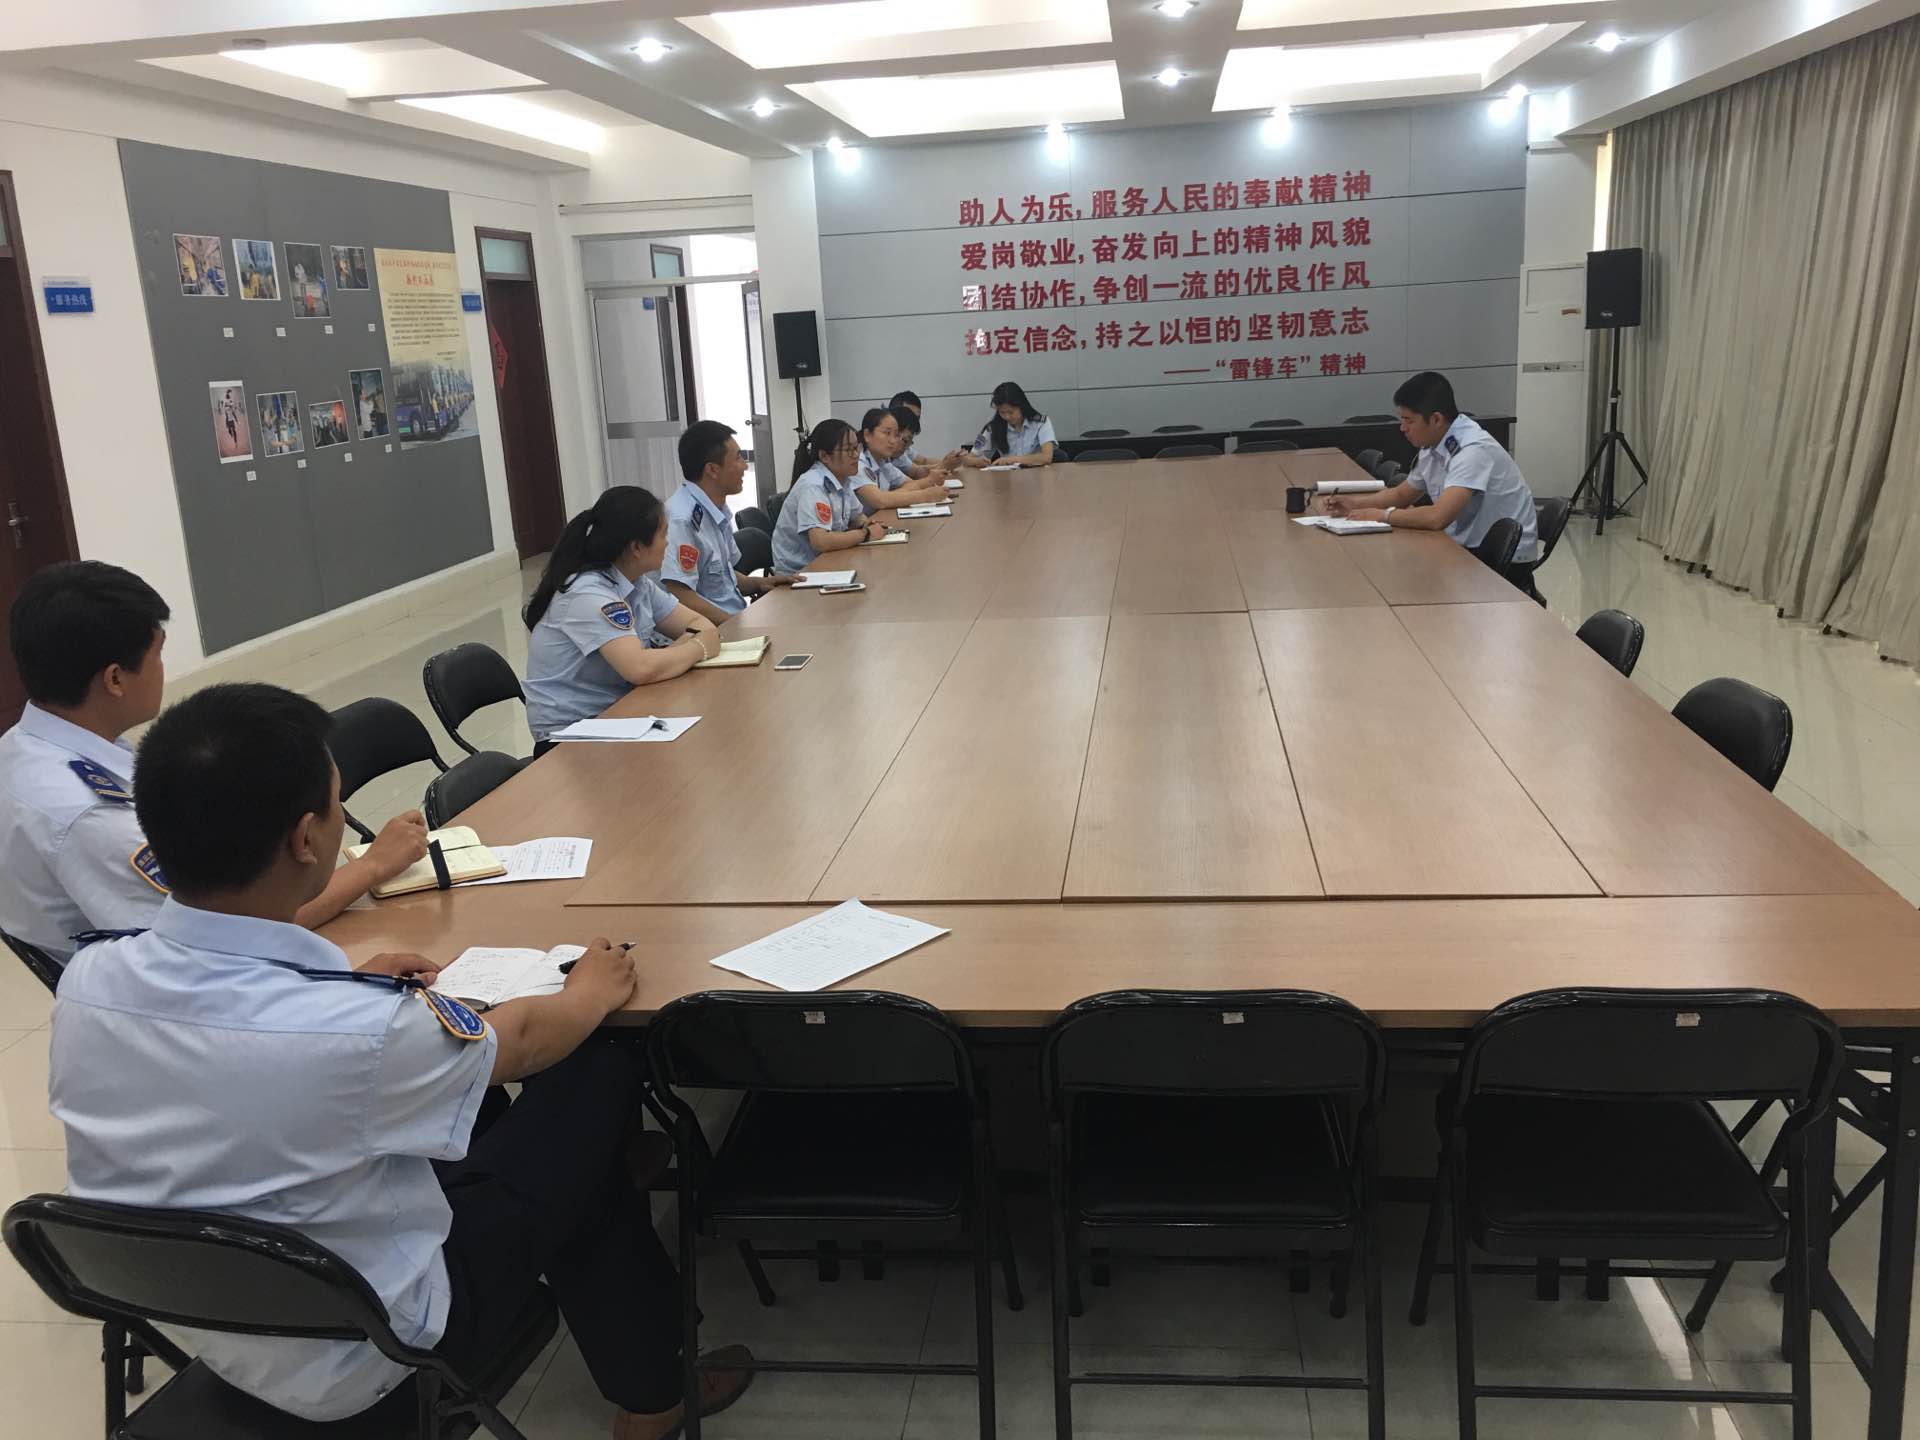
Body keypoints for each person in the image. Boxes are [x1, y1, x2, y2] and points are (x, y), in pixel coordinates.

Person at [48, 682, 752, 1438]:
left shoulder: (90, 980)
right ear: (307, 840)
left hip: (205, 1317)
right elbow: (520, 1043)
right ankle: (653, 1391)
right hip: (375, 1347)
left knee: (555, 1153)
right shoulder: (360, 1032)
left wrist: (340, 986)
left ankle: (649, 1379)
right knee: (597, 1064)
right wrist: (590, 988)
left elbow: (227, 1044)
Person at [0, 561, 427, 965]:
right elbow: (224, 937)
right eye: (158, 653)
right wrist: (373, 866)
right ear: (115, 679)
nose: (163, 669)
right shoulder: (90, 818)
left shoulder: (22, 747)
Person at [523, 486, 721, 746]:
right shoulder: (588, 593)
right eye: (663, 534)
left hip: (621, 714)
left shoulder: (636, 582)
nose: (668, 542)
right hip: (570, 735)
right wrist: (698, 647)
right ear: (637, 547)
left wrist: (668, 656)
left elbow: (700, 624)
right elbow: (640, 669)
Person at [1323, 371, 1539, 562]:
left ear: (1436, 419)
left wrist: (1382, 515)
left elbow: (1437, 517)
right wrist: (1354, 505)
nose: (1402, 428)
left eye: (1409, 421)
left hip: (1504, 559)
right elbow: (1401, 495)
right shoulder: (1434, 443)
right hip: (1469, 545)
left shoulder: (1472, 450)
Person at [661, 420, 798, 626]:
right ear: (712, 470)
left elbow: (721, 578)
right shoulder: (682, 519)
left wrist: (761, 583)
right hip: (706, 631)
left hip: (732, 620)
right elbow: (680, 595)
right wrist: (733, 626)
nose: (745, 466)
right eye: (738, 458)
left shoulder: (716, 509)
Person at [771, 418, 890, 574]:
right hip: (799, 572)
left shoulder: (843, 478)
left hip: (826, 560)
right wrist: (865, 534)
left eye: (857, 447)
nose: (856, 455)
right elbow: (821, 541)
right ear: (824, 456)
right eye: (848, 450)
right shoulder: (813, 485)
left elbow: (856, 517)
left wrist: (867, 524)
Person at [851, 407, 954, 517]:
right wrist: (925, 496)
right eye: (887, 433)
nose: (892, 441)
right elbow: (880, 501)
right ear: (867, 435)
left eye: (896, 435)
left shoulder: (883, 463)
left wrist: (892, 496)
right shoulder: (857, 463)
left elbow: (912, 484)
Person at [950, 381, 1055, 469]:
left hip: (1037, 478)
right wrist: (977, 461)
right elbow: (968, 459)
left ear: (1022, 406)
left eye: (1011, 412)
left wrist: (1012, 460)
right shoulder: (993, 427)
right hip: (1007, 481)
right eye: (1002, 412)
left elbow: (1046, 457)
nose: (1007, 417)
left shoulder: (1041, 423)